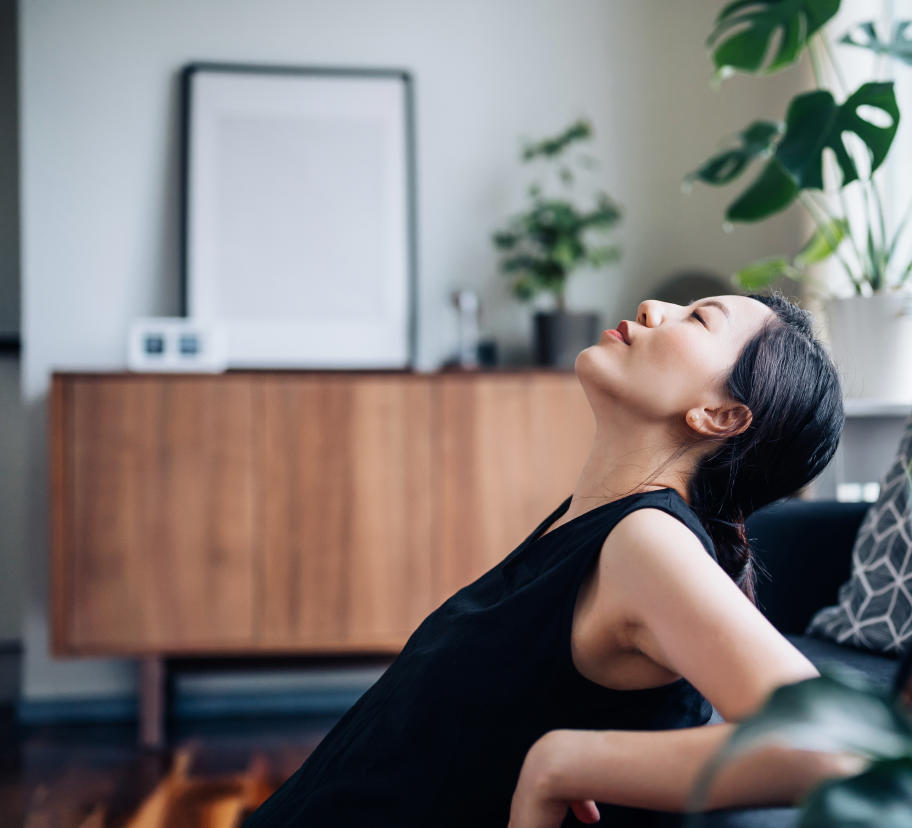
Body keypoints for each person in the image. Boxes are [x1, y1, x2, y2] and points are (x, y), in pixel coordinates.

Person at [242, 290, 854, 828]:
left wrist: (561, 763)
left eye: (697, 320)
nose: (652, 308)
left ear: (720, 416)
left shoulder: (648, 543)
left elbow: (838, 747)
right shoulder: (596, 526)